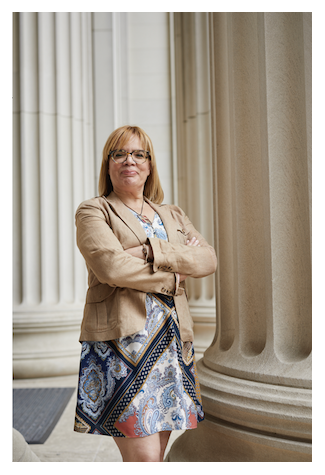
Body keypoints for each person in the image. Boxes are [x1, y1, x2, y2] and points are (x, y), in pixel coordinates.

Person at [73, 125, 217, 462]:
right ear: (108, 164)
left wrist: (149, 251)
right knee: (145, 460)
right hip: (124, 346)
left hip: (171, 342)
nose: (129, 161)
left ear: (150, 165)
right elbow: (111, 267)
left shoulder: (173, 214)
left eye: (139, 154)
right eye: (119, 153)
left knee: (154, 456)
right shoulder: (94, 211)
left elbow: (208, 259)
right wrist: (174, 272)